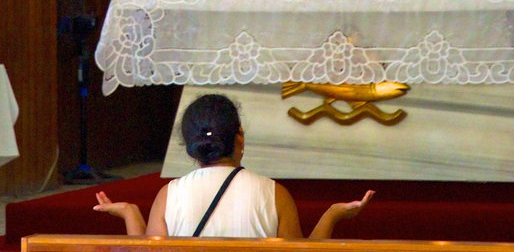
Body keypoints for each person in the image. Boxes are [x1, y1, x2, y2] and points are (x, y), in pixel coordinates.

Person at [93, 94, 374, 238]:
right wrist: (332, 215)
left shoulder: (170, 194)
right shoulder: (274, 194)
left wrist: (130, 213)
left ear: (190, 144)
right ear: (239, 137)